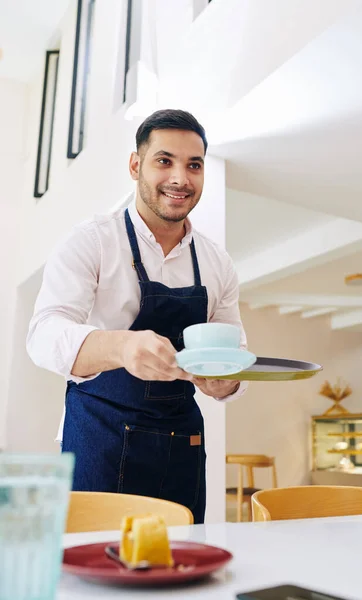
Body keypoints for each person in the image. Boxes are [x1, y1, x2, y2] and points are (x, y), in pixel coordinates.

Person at [27, 109, 247, 523]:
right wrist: (122, 346)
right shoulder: (92, 241)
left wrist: (225, 380)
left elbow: (235, 351)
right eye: (164, 161)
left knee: (181, 572)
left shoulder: (218, 263)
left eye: (193, 165)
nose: (181, 178)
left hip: (182, 446)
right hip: (100, 441)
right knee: (93, 581)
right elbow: (42, 334)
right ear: (135, 165)